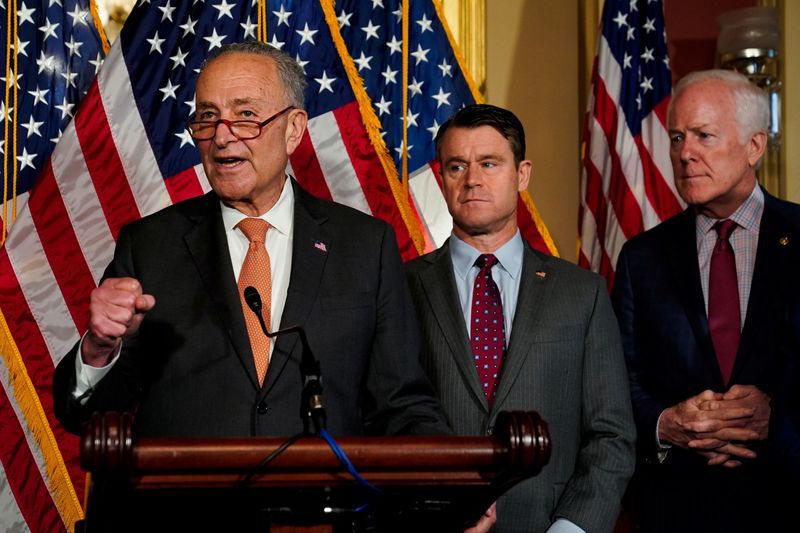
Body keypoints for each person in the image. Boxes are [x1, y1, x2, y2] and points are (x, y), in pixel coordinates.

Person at [405, 104, 636, 533]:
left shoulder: (581, 293)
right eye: (457, 166)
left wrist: (571, 528)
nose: (472, 179)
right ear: (442, 178)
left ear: (522, 174)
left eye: (489, 163)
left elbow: (612, 435)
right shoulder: (401, 288)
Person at [612, 69, 800, 532]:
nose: (684, 153)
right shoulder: (642, 258)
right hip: (676, 508)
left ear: (754, 146)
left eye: (703, 136)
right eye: (677, 138)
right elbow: (618, 380)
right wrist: (666, 422)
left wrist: (776, 417)